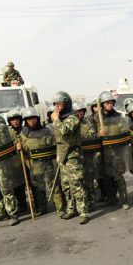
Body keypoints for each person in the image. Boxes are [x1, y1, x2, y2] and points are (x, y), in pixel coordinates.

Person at [51, 91, 90, 224]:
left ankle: (83, 211)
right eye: (56, 104)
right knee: (66, 185)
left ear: (66, 104)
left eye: (60, 104)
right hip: (62, 155)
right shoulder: (60, 118)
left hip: (73, 156)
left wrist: (55, 119)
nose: (57, 106)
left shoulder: (73, 118)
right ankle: (71, 209)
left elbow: (64, 131)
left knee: (76, 184)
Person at [17, 107, 60, 217]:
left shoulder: (46, 131)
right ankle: (41, 207)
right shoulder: (23, 134)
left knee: (53, 185)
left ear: (37, 119)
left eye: (33, 119)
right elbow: (21, 152)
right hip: (34, 166)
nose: (31, 121)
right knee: (37, 188)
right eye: (29, 119)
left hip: (48, 163)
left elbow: (53, 145)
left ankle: (60, 205)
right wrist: (19, 148)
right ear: (25, 121)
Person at [97, 91, 132, 210]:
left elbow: (125, 131)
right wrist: (97, 134)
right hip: (102, 153)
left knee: (119, 178)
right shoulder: (96, 118)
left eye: (111, 103)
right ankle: (111, 198)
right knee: (106, 178)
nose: (109, 105)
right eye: (107, 103)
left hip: (116, 152)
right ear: (102, 104)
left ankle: (124, 200)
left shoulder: (118, 117)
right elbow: (89, 134)